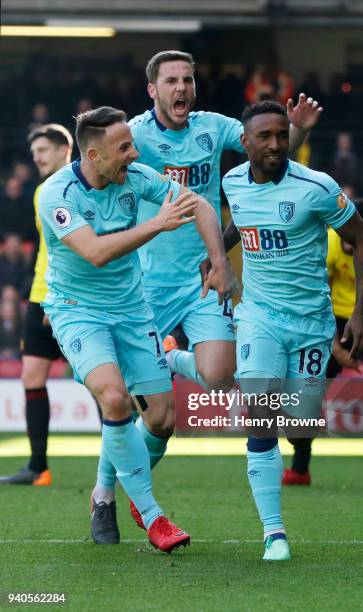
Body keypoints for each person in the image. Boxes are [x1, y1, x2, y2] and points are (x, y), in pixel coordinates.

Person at [95, 49, 324, 534]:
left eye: (188, 80)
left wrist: (298, 129)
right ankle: (105, 493)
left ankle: (175, 359)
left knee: (221, 376)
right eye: (171, 81)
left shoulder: (213, 127)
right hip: (144, 288)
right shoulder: (133, 136)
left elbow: (268, 153)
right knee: (154, 417)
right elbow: (99, 171)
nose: (181, 88)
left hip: (203, 276)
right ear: (152, 90)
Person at [36, 105, 233, 551]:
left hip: (132, 310)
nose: (134, 152)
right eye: (123, 147)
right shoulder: (56, 194)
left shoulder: (136, 177)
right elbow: (94, 252)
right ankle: (152, 515)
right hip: (78, 310)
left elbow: (198, 203)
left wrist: (218, 262)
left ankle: (104, 494)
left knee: (162, 420)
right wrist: (157, 224)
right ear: (92, 155)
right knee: (113, 395)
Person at [221, 101, 363, 560]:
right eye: (263, 137)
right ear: (244, 143)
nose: (273, 144)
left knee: (300, 426)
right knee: (261, 412)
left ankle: (181, 361)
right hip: (259, 316)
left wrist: (360, 314)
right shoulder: (232, 183)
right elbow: (238, 226)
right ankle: (274, 533)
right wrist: (213, 255)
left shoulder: (317, 187)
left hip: (311, 325)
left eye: (280, 136)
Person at [285, 199, 363, 489]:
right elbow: (316, 298)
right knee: (311, 390)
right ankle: (300, 468)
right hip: (335, 320)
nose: (346, 239)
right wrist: (334, 346)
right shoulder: (328, 243)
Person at [0, 125, 73, 486]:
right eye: (34, 153)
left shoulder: (76, 188)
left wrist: (55, 298)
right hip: (40, 297)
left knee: (101, 385)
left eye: (43, 150)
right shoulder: (42, 191)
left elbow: (73, 249)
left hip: (68, 300)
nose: (38, 157)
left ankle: (122, 460)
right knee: (32, 377)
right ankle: (37, 466)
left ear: (65, 149)